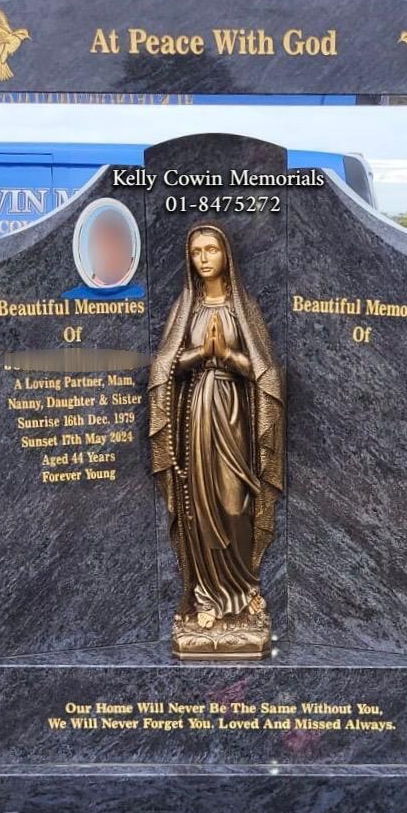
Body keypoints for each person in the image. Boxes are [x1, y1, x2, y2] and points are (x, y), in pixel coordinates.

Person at [149, 224, 283, 637]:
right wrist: (195, 357)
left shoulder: (244, 308)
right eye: (196, 252)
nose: (204, 258)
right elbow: (162, 368)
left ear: (227, 255)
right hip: (195, 417)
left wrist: (227, 356)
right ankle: (205, 595)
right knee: (196, 507)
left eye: (211, 250)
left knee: (233, 504)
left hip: (235, 415)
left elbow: (267, 373)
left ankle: (243, 591)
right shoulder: (185, 308)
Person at [87, 209, 134, 287]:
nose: (109, 248)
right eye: (103, 240)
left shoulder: (133, 269)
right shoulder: (93, 282)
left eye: (113, 238)